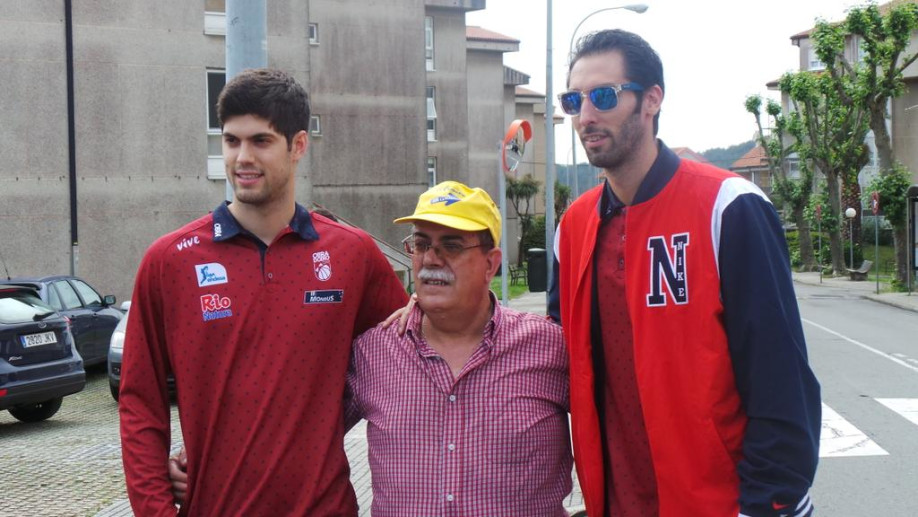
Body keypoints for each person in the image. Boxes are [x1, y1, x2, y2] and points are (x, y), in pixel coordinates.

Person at [171, 181, 574, 515]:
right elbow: (291, 427)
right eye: (420, 243)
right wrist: (203, 455)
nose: (431, 258)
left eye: (451, 245)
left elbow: (611, 434)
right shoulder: (373, 354)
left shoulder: (549, 349)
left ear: (491, 264)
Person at [547, 30, 821, 517]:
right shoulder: (573, 229)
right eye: (574, 100)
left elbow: (781, 380)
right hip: (613, 503)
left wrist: (769, 505)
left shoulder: (728, 207)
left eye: (604, 96)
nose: (585, 116)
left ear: (651, 99)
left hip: (722, 504)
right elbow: (551, 360)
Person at [119, 68, 408, 516]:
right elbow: (140, 402)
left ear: (297, 146)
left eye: (260, 141)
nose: (242, 157)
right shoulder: (170, 261)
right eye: (231, 141)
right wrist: (155, 508)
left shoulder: (352, 254)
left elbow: (407, 356)